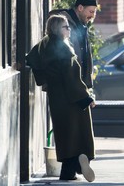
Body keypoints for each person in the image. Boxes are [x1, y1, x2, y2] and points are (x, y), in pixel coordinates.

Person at [26, 15, 96, 182]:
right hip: (70, 98)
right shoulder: (63, 50)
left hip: (56, 96)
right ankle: (79, 162)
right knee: (78, 133)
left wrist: (44, 80)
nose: (69, 30)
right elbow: (72, 78)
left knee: (64, 134)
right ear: (57, 29)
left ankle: (69, 171)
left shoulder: (45, 43)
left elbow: (32, 58)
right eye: (66, 27)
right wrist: (86, 98)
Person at [49, 0, 99, 90]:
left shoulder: (82, 26)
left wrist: (87, 85)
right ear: (80, 8)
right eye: (91, 11)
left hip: (78, 87)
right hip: (66, 87)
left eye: (94, 12)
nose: (93, 16)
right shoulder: (63, 24)